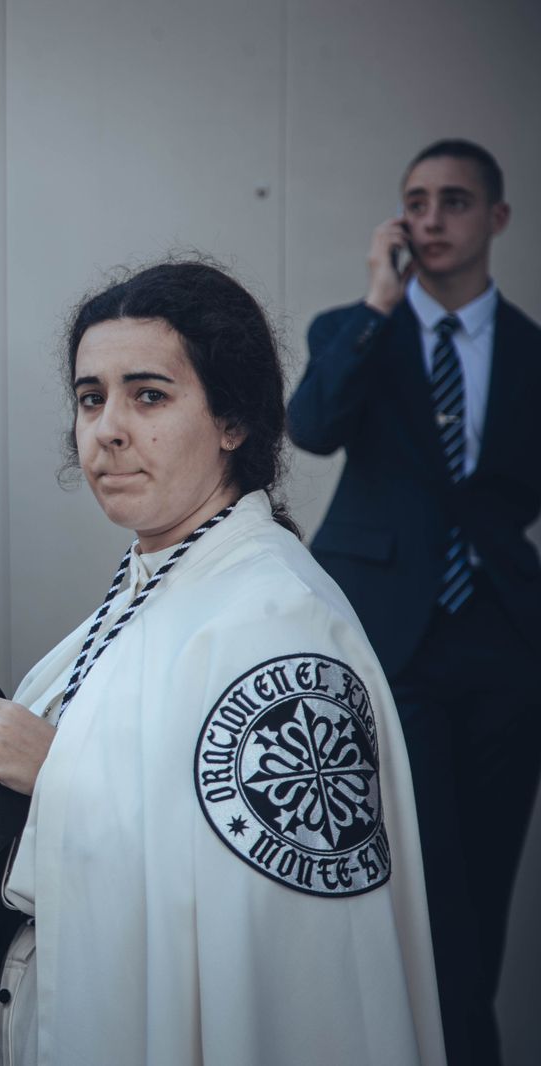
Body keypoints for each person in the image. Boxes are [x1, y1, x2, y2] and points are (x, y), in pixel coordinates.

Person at [0, 262, 444, 1065]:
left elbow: (285, 933)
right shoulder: (154, 580)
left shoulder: (278, 622)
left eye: (149, 396)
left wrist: (56, 770)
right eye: (91, 398)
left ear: (233, 419)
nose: (108, 429)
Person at [287, 138, 539, 1066]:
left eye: (455, 202)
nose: (432, 221)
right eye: (416, 202)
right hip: (390, 637)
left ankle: (468, 1044)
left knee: (487, 874)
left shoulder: (531, 352)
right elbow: (310, 429)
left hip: (506, 643)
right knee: (417, 879)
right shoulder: (355, 328)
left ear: (496, 219)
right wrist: (377, 304)